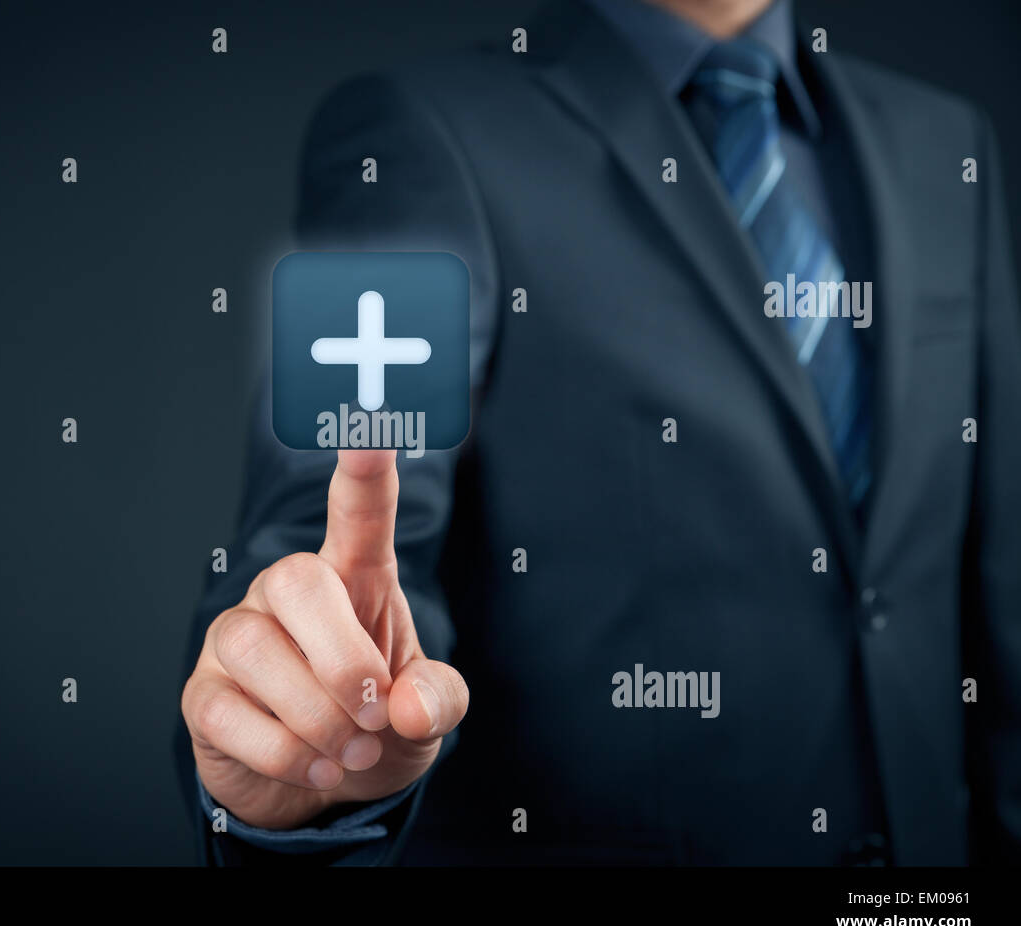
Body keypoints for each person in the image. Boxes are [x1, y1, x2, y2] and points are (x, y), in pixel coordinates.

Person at [176, 0, 1021, 865]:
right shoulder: (421, 131)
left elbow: (997, 573)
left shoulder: (947, 142)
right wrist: (304, 722)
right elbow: (333, 529)